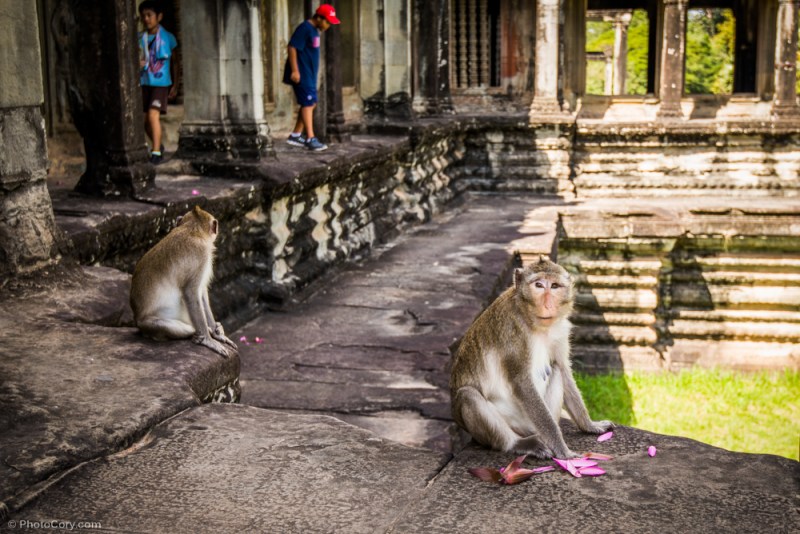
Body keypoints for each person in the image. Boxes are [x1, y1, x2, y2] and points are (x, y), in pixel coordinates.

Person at [283, 4, 341, 151]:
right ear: (319, 18)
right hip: (302, 74)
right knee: (308, 104)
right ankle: (310, 138)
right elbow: (292, 47)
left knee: (311, 103)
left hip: (309, 74)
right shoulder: (305, 28)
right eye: (327, 22)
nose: (328, 26)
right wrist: (295, 71)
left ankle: (296, 135)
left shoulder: (314, 30)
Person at [138, 1, 179, 165]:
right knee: (143, 121)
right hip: (144, 81)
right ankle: (158, 145)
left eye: (150, 15)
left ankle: (155, 153)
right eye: (143, 16)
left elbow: (176, 62)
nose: (146, 19)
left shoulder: (169, 38)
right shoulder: (139, 38)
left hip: (161, 83)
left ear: (159, 17)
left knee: (153, 115)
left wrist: (175, 85)